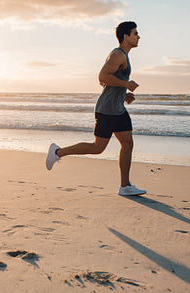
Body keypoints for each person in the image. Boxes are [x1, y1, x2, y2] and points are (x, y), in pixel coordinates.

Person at [45, 21, 146, 196]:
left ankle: (125, 186)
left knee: (128, 144)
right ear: (126, 36)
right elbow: (103, 76)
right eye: (135, 33)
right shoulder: (118, 55)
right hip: (107, 110)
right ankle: (57, 152)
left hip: (118, 108)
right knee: (97, 148)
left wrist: (123, 94)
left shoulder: (122, 56)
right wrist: (127, 84)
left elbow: (105, 82)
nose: (138, 36)